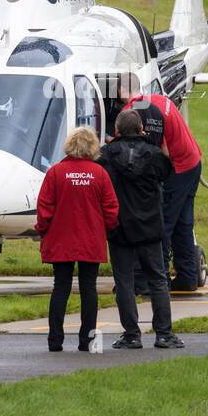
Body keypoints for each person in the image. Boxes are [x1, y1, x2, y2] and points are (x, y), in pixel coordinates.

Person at [99, 110, 183, 349]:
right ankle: (164, 334)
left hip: (119, 225)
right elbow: (168, 173)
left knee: (124, 281)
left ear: (117, 131)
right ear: (140, 130)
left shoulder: (106, 155)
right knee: (157, 279)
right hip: (149, 225)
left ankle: (131, 334)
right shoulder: (154, 155)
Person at [35, 127, 119, 352]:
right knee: (88, 288)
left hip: (61, 238)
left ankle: (55, 340)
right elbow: (111, 208)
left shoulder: (55, 173)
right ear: (93, 147)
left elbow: (44, 208)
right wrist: (107, 229)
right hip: (90, 238)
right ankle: (87, 340)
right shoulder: (100, 174)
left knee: (60, 287)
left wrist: (42, 229)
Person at [121, 88, 203, 290]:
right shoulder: (158, 99)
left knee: (162, 223)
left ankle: (159, 279)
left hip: (177, 168)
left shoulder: (137, 112)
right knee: (182, 223)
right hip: (193, 161)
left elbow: (162, 151)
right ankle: (187, 276)